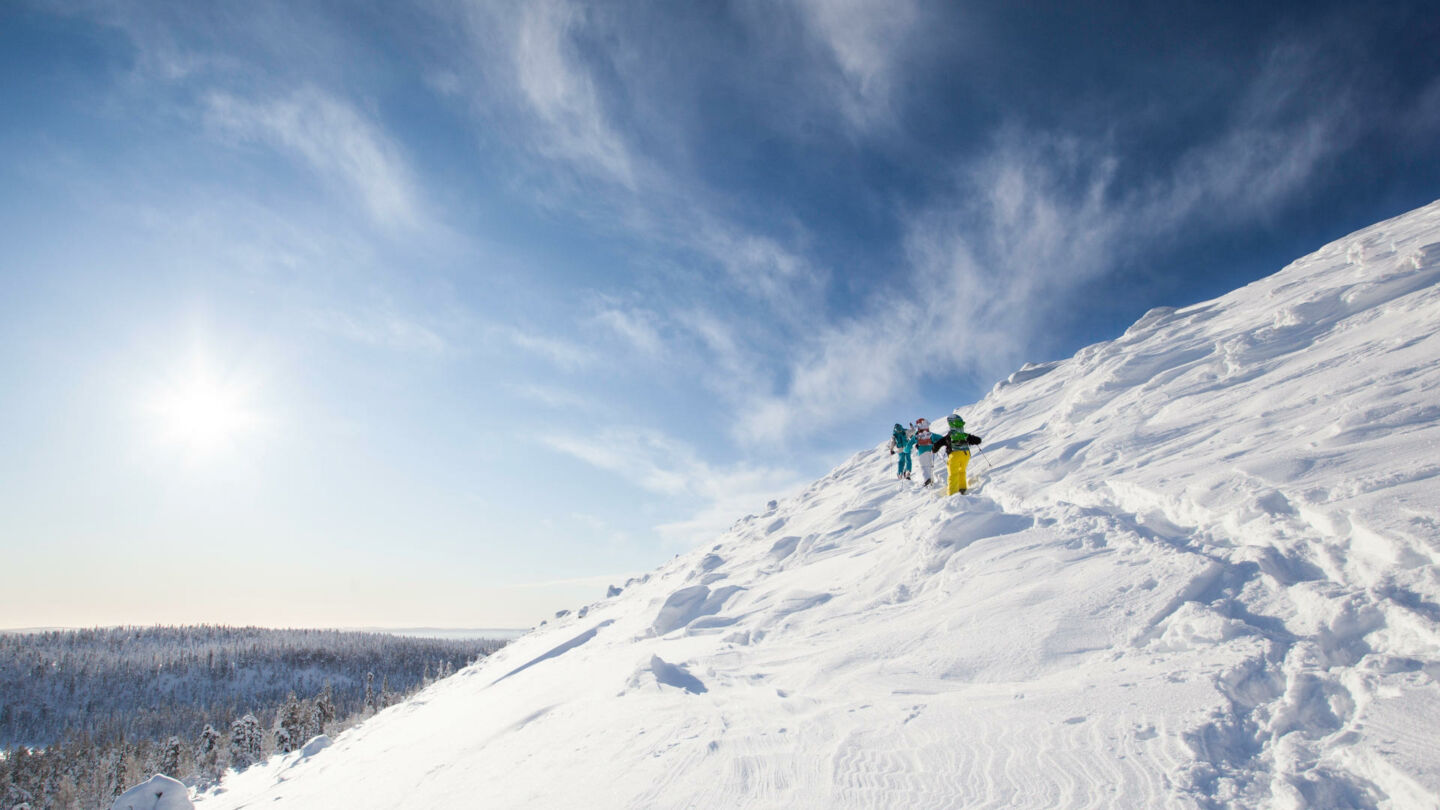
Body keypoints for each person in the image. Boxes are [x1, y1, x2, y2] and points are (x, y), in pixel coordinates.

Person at [933, 413, 983, 495]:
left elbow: (937, 445)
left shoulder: (949, 436)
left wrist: (934, 449)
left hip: (954, 455)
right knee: (962, 471)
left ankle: (952, 493)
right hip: (965, 455)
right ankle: (962, 488)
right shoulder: (964, 435)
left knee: (953, 475)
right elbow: (978, 440)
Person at [913, 417, 938, 486]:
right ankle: (931, 481)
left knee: (923, 466)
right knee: (930, 466)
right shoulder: (930, 434)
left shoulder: (916, 435)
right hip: (930, 450)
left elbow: (909, 444)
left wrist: (906, 450)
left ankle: (927, 479)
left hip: (921, 451)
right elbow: (940, 438)